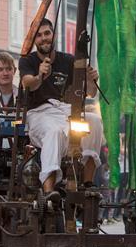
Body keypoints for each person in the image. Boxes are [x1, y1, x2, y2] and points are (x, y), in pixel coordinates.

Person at [19, 18, 104, 192]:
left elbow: (91, 93)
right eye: (39, 35)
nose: (44, 38)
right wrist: (40, 76)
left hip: (63, 111)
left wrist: (91, 79)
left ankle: (87, 184)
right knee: (54, 131)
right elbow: (28, 84)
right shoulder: (28, 61)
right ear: (34, 40)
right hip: (39, 113)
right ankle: (49, 191)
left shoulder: (68, 60)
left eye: (47, 33)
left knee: (94, 120)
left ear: (53, 35)